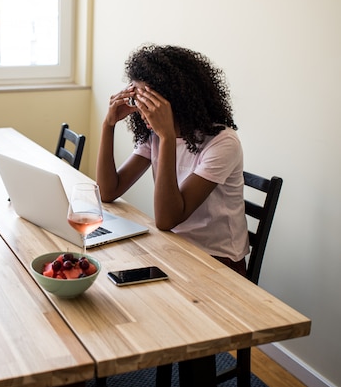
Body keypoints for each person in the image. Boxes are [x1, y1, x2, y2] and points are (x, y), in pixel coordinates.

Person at [96, 44, 248, 275]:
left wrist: (167, 136)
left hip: (218, 261)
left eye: (149, 101)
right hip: (175, 247)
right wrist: (108, 125)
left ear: (176, 100)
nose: (141, 110)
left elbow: (167, 219)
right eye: (137, 100)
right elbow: (108, 192)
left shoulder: (222, 143)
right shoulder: (155, 136)